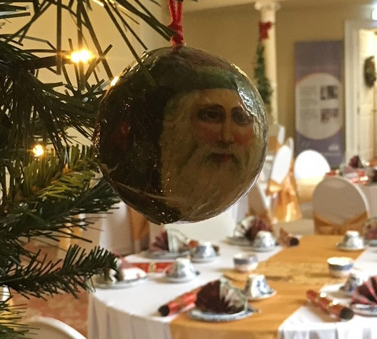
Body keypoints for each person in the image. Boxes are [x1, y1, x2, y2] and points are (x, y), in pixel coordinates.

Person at [95, 46, 267, 224]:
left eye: (240, 118)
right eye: (211, 116)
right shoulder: (140, 182)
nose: (226, 137)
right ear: (179, 121)